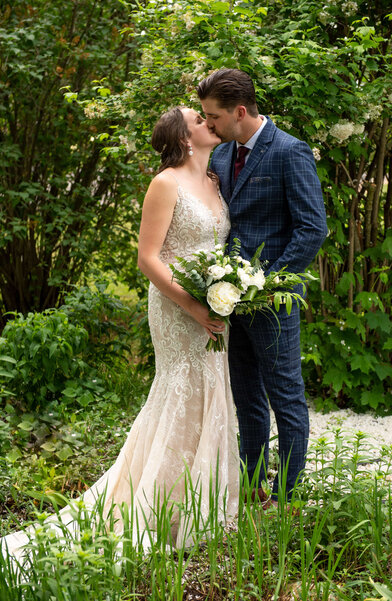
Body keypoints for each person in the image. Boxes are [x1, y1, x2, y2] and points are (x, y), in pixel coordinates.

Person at [1, 106, 239, 561]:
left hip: (213, 307)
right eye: (198, 119)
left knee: (210, 389)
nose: (209, 121)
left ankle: (199, 508)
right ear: (185, 138)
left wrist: (224, 294)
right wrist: (192, 306)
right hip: (176, 307)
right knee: (179, 392)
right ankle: (154, 506)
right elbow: (148, 258)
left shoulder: (213, 181)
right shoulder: (164, 183)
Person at [197, 68, 328, 506]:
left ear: (239, 111)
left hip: (274, 301)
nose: (208, 125)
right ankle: (253, 489)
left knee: (286, 398)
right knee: (246, 398)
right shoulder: (219, 157)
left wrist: (270, 286)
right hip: (228, 300)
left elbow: (312, 229)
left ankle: (287, 498)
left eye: (212, 117)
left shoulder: (290, 152)